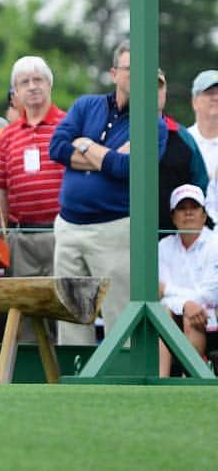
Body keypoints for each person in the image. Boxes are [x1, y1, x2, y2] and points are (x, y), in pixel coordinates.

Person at [49, 40, 169, 345]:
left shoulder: (153, 123)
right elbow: (58, 147)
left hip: (115, 229)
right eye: (131, 70)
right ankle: (75, 379)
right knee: (70, 313)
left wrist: (86, 143)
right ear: (114, 73)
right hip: (69, 227)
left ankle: (122, 384)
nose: (137, 77)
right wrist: (105, 155)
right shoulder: (86, 105)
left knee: (120, 316)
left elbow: (127, 169)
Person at [0, 57, 66, 296]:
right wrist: (5, 234)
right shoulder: (7, 136)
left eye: (38, 80)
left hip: (62, 233)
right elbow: (0, 188)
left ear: (49, 84)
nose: (32, 86)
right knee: (24, 314)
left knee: (65, 308)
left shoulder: (69, 125)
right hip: (20, 238)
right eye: (24, 82)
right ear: (16, 93)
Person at [158, 184, 218, 377]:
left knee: (190, 317)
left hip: (211, 312)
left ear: (204, 214)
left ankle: (189, 378)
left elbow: (210, 293)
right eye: (182, 208)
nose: (188, 213)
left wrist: (184, 303)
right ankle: (162, 380)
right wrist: (186, 304)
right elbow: (158, 290)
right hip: (180, 313)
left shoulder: (215, 243)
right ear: (174, 218)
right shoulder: (164, 246)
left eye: (194, 207)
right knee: (164, 312)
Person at [158, 71, 208, 235]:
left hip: (173, 241)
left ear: (165, 92)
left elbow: (200, 187)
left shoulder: (183, 137)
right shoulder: (116, 130)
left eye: (158, 87)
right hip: (121, 236)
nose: (152, 92)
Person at [188, 70, 218, 219]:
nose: (216, 97)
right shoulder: (182, 141)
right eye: (209, 93)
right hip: (188, 232)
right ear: (194, 102)